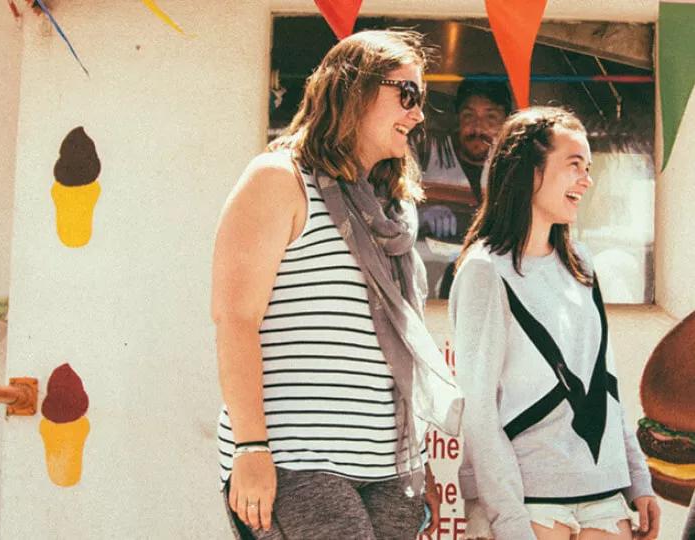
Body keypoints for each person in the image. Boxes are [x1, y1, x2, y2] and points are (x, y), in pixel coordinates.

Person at [212, 30, 463, 539]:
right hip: (296, 458)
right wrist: (250, 448)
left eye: (422, 100)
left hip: (392, 468)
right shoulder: (279, 179)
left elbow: (397, 342)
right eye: (407, 94)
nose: (417, 115)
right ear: (354, 90)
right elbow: (235, 319)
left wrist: (420, 463)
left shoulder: (391, 206)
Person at [448, 106, 661, 540]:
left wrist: (639, 479)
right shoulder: (485, 271)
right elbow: (479, 411)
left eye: (589, 168)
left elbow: (604, 380)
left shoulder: (581, 262)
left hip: (602, 493)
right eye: (574, 166)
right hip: (528, 500)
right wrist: (507, 521)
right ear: (530, 172)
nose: (586, 180)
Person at [413, 80, 511, 298]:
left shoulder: (511, 168)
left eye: (490, 117)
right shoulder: (428, 152)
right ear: (458, 118)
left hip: (491, 289)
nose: (477, 128)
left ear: (506, 122)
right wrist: (421, 215)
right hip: (426, 291)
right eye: (469, 116)